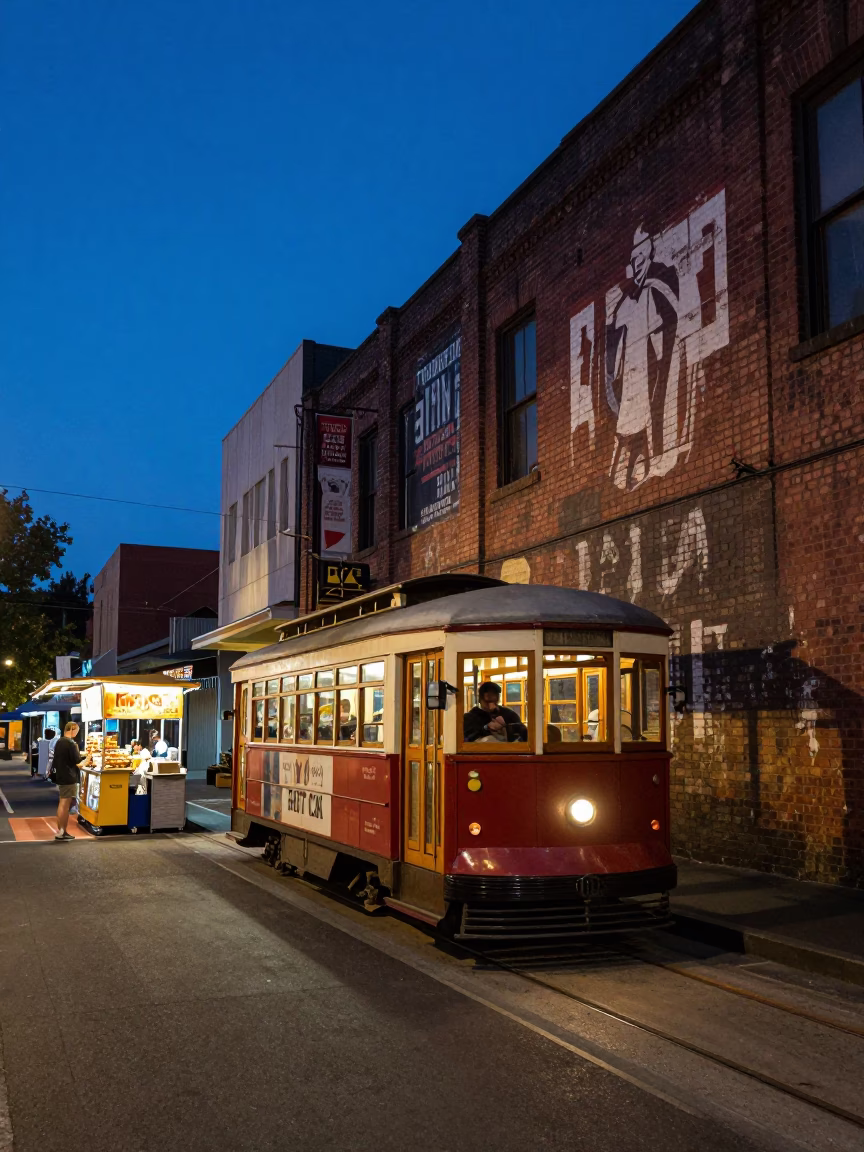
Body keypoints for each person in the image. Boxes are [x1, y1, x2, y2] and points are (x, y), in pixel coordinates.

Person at [52, 722, 90, 841]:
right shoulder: (71, 743)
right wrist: (88, 758)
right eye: (77, 731)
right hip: (69, 777)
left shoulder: (59, 741)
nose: (77, 733)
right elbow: (78, 763)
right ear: (72, 729)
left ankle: (62, 830)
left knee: (62, 803)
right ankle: (62, 831)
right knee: (65, 804)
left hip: (61, 775)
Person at [463, 681, 528, 743]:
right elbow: (466, 739)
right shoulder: (470, 717)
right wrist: (486, 728)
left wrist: (506, 727)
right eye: (488, 698)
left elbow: (523, 733)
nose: (491, 702)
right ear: (480, 699)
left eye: (495, 697)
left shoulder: (509, 714)